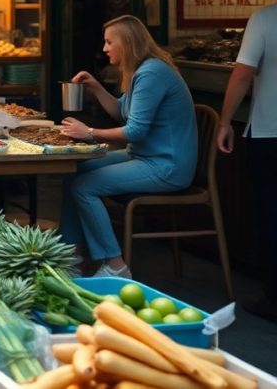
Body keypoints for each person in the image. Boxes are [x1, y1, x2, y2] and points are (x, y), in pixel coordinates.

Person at [58, 15, 197, 279]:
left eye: (110, 42)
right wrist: (96, 88)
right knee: (74, 171)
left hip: (166, 166)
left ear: (128, 42)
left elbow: (134, 131)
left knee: (84, 187)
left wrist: (88, 133)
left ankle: (115, 265)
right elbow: (122, 112)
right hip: (144, 156)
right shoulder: (141, 70)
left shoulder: (151, 73)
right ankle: (72, 256)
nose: (104, 48)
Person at [217, 1, 277, 321]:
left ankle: (275, 299)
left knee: (272, 216)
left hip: (270, 132)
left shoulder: (265, 18)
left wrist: (225, 122)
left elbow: (242, 75)